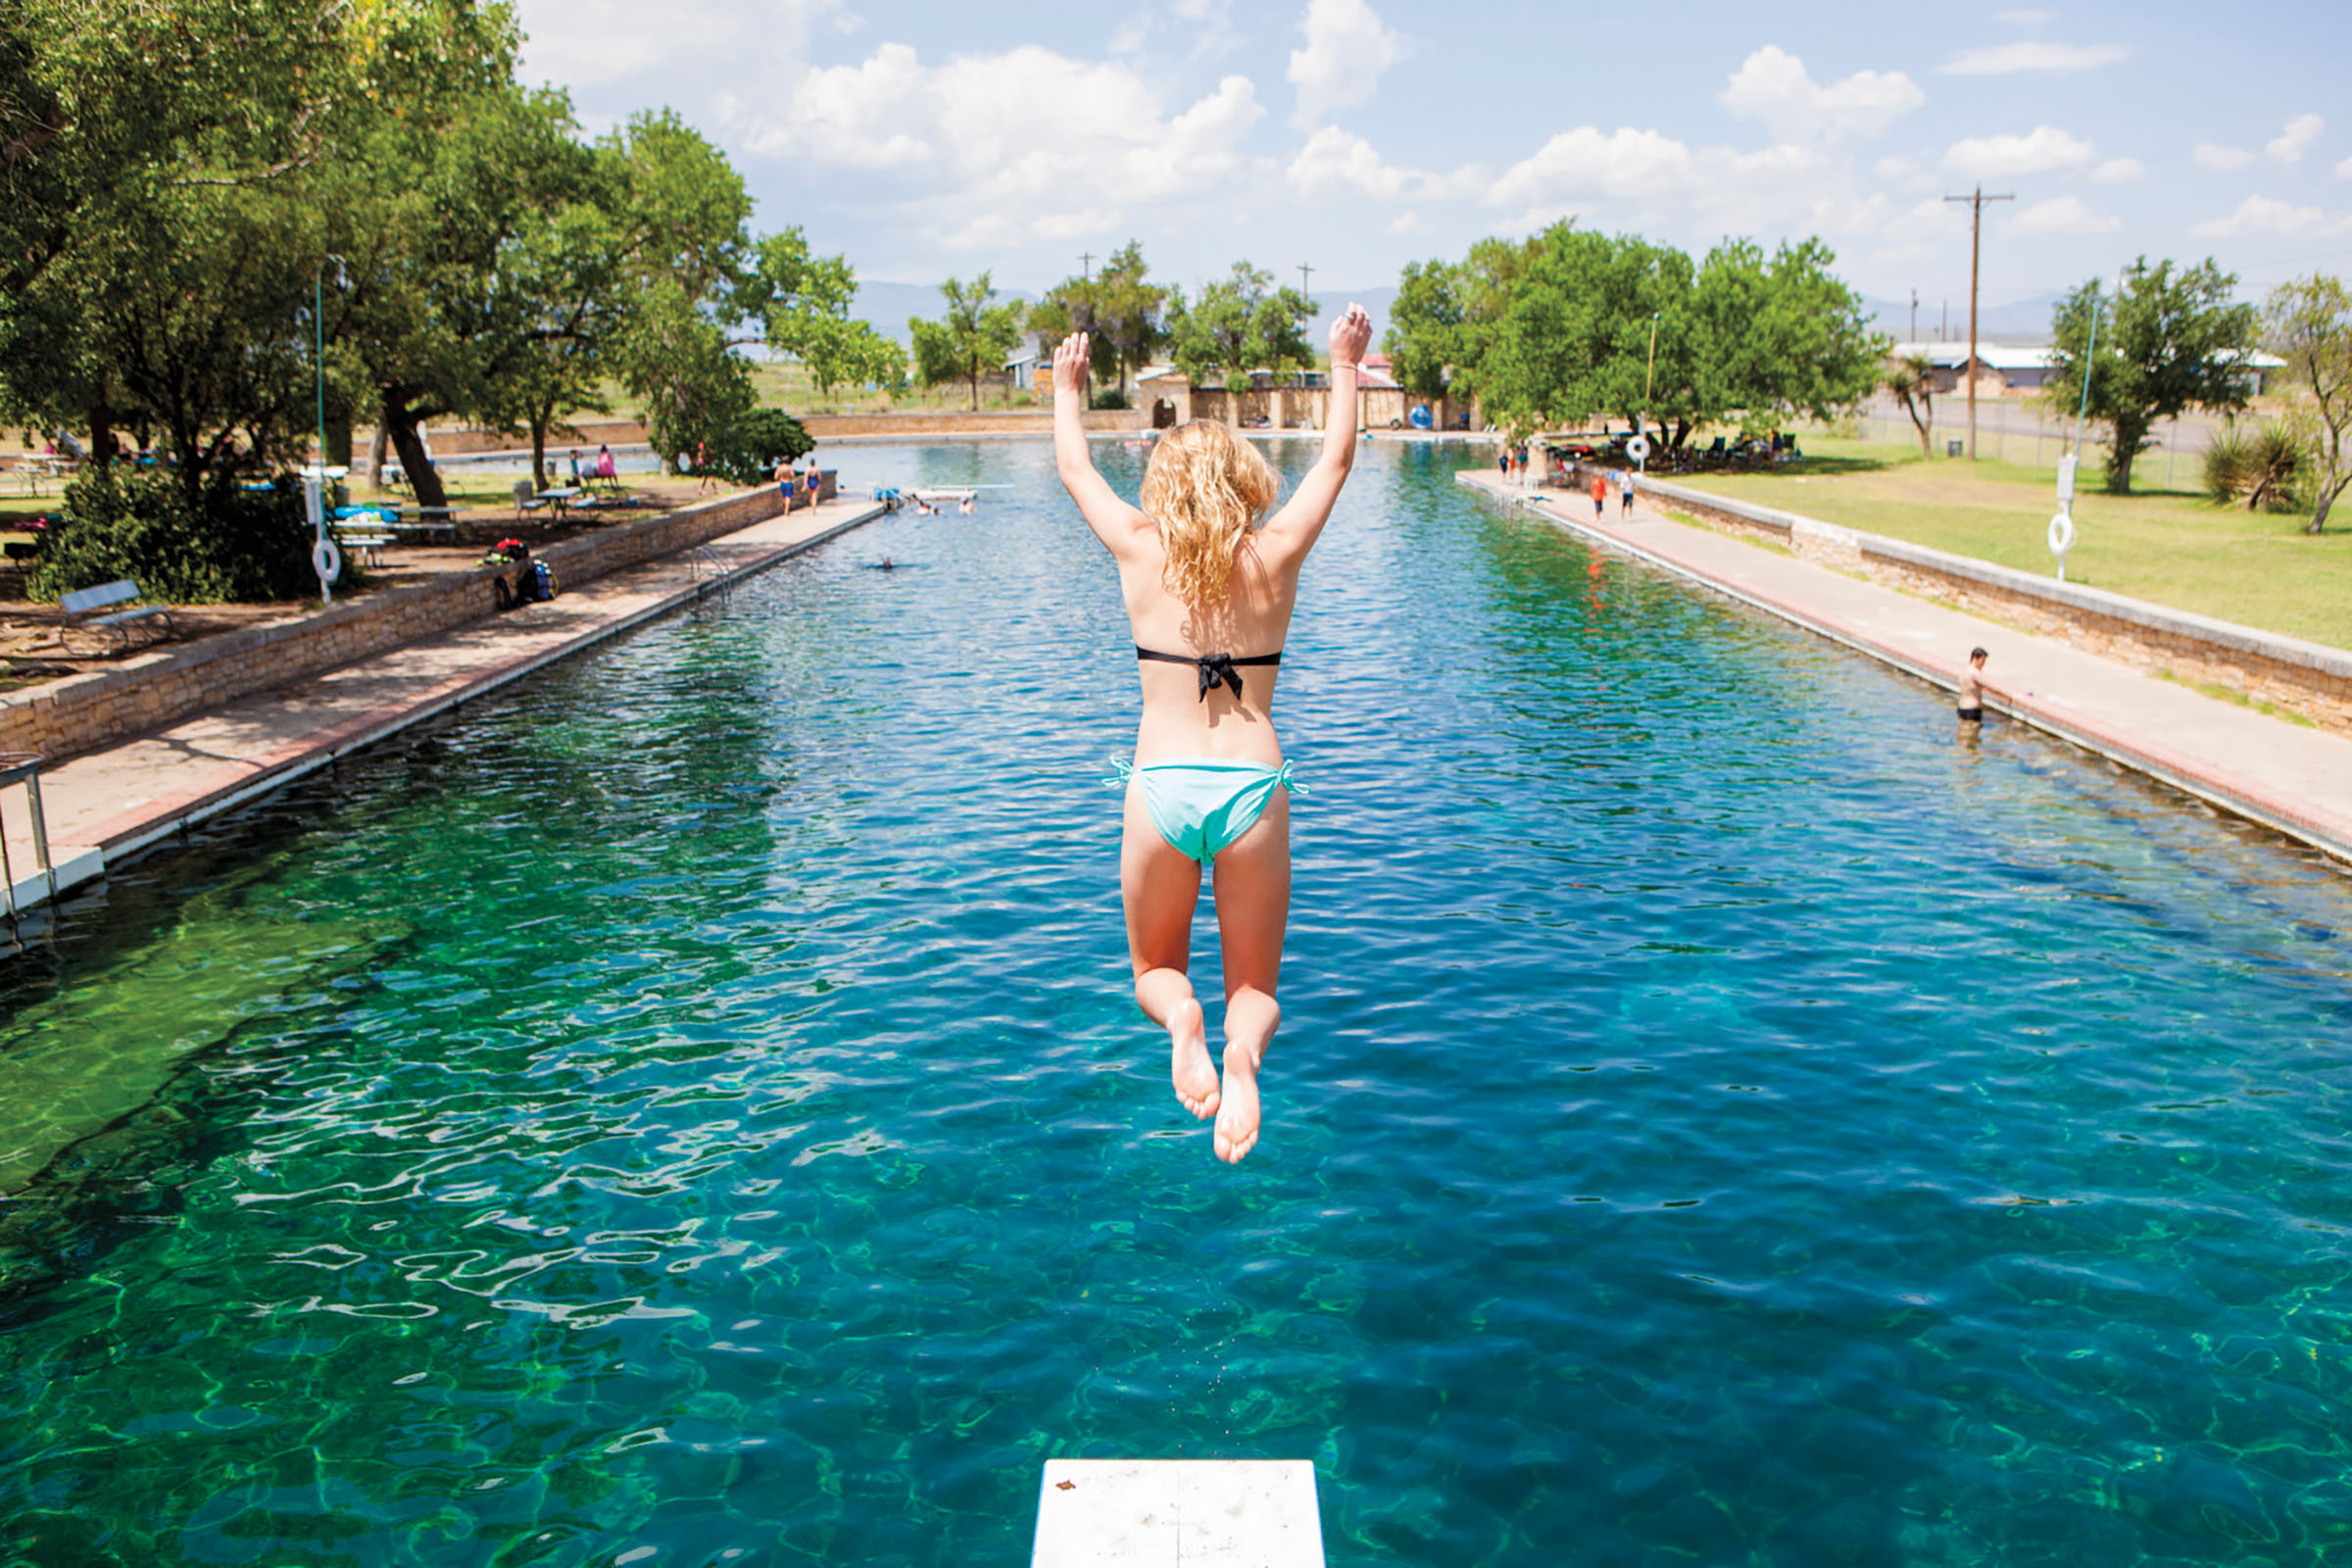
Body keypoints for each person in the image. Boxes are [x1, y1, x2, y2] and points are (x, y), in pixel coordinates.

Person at [1051, 302, 1375, 1165]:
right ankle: (1240, 1051)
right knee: (1256, 988)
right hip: (1252, 791)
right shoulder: (1275, 557)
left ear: (1163, 483)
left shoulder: (1135, 548)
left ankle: (1185, 1022)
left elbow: (1077, 469)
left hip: (1158, 789)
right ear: (1243, 478)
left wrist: (1066, 390)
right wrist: (1343, 366)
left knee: (1157, 974)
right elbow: (1336, 461)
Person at [1957, 646, 1989, 724]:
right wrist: (2010, 695)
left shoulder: (1964, 671)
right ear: (1975, 658)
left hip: (1961, 707)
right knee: (1972, 734)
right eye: (1983, 661)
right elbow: (1990, 687)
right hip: (1972, 710)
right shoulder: (1975, 674)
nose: (1983, 664)